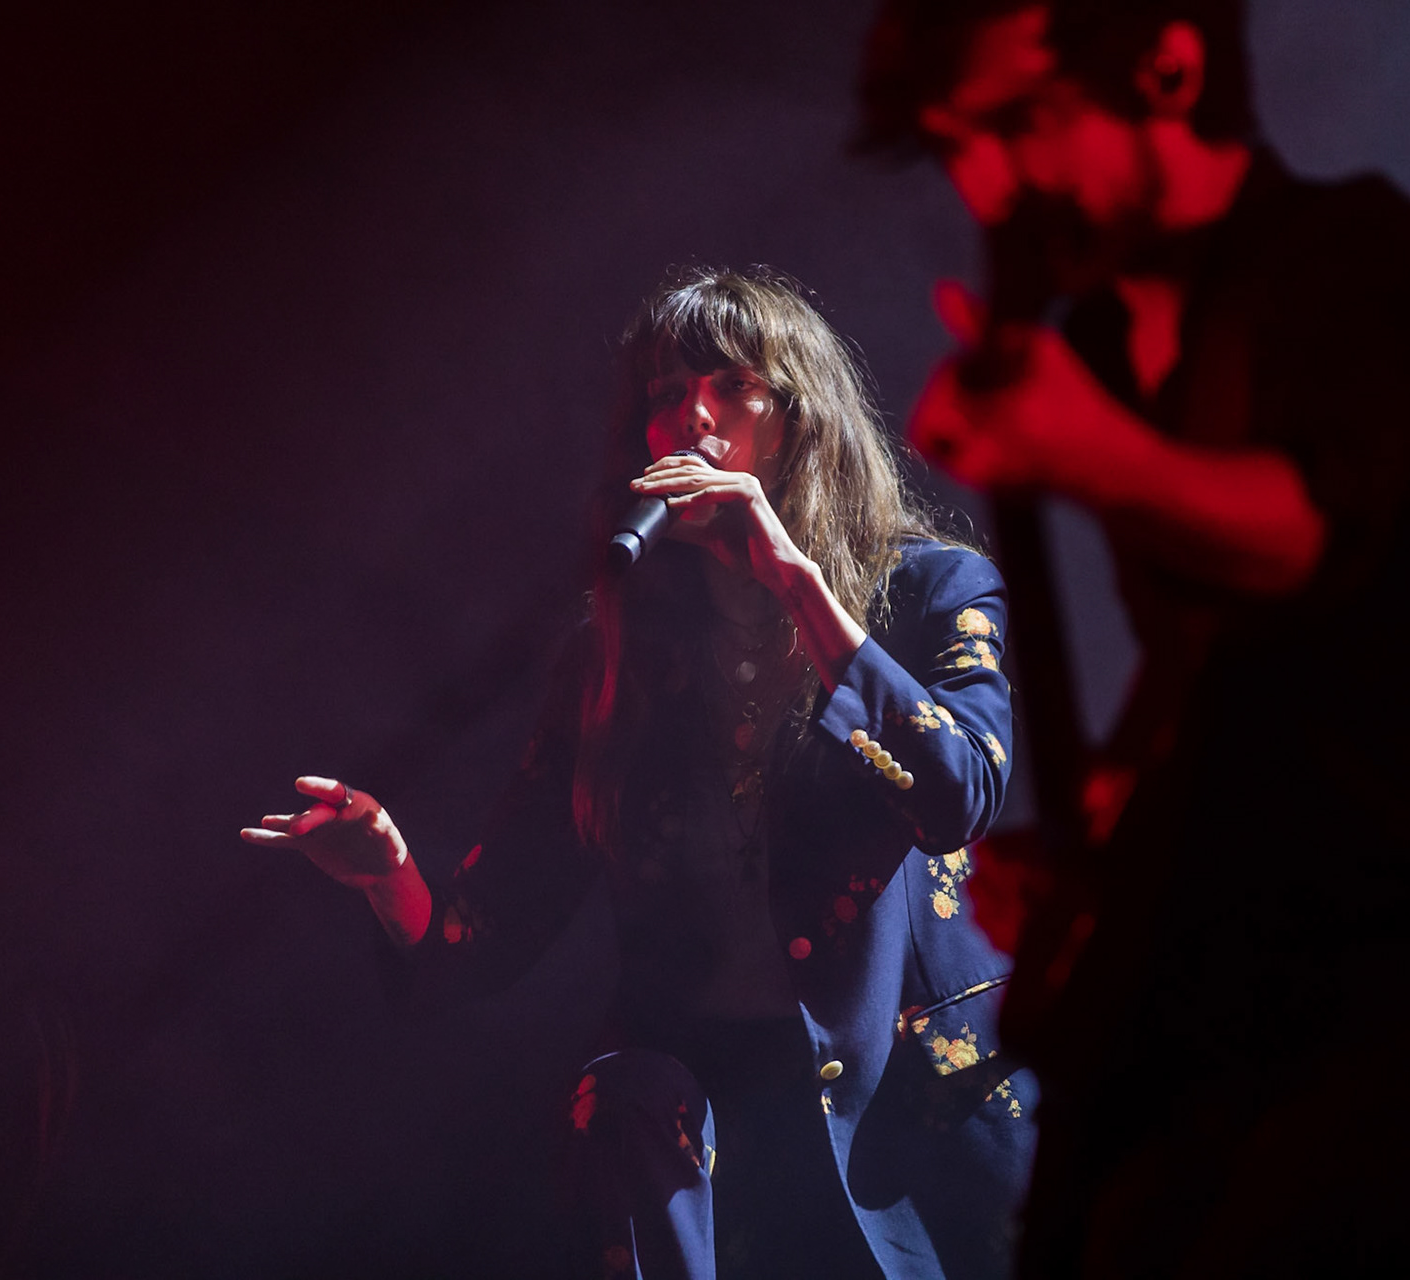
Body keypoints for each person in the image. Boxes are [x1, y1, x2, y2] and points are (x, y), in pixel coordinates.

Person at [857, 2, 1410, 1276]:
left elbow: (1312, 536)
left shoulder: (1357, 257)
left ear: (1169, 63)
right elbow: (1214, 660)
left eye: (1020, 124)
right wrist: (1107, 828)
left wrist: (1087, 452)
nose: (987, 184)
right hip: (1265, 956)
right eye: (958, 143)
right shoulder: (1108, 340)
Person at [241, 267, 1036, 1279]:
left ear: (801, 418)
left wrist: (793, 578)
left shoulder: (928, 590)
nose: (691, 418)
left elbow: (959, 791)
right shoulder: (614, 663)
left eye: (730, 385)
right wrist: (384, 867)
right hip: (720, 1150)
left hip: (913, 1134)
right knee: (618, 1093)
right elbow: (478, 942)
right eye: (665, 395)